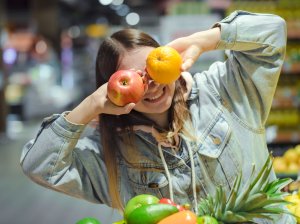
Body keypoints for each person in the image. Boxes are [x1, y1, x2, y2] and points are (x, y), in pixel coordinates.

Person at [20, 10, 295, 223]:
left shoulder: (222, 91)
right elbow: (40, 166)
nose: (151, 85)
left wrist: (205, 40)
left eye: (154, 69)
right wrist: (91, 105)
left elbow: (273, 32)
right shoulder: (109, 154)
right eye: (134, 79)